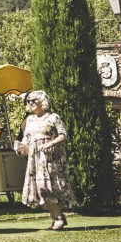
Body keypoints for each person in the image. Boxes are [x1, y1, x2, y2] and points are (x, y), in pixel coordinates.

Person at [19, 89, 75, 230]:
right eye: (29, 100)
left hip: (50, 159)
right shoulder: (29, 120)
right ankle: (55, 218)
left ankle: (59, 218)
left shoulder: (53, 118)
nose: (30, 102)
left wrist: (50, 143)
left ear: (42, 102)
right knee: (40, 188)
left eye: (34, 100)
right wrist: (21, 150)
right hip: (35, 160)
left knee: (49, 187)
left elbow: (63, 135)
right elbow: (26, 139)